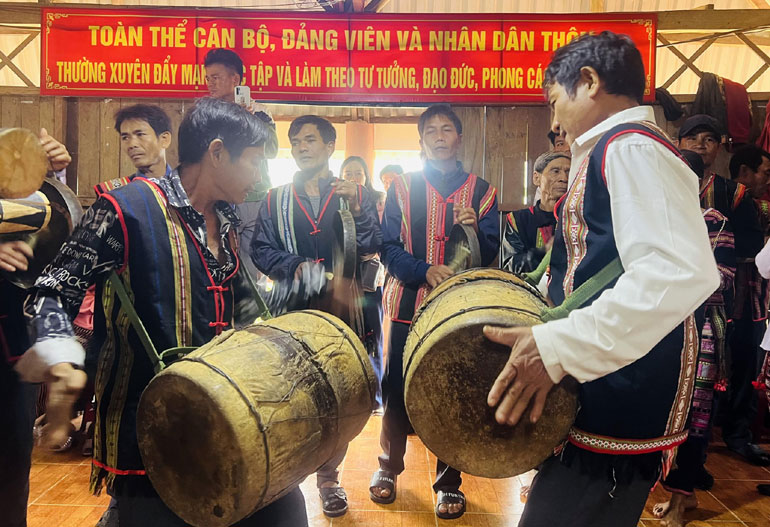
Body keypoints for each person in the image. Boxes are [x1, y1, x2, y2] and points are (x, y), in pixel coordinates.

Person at [16, 97, 305, 527]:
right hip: (150, 431)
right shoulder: (123, 208)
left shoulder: (225, 219)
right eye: (254, 162)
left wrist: (307, 300)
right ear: (218, 152)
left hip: (232, 420)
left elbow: (241, 305)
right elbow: (50, 291)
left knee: (286, 514)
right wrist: (61, 356)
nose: (259, 176)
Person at [483, 32, 719, 527]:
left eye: (554, 103)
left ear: (587, 82)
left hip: (623, 388)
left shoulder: (632, 148)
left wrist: (560, 346)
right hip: (606, 377)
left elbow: (677, 272)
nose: (553, 122)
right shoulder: (618, 149)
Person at [370, 104, 499, 521]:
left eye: (447, 130)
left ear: (458, 138)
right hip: (406, 306)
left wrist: (476, 229)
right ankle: (388, 468)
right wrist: (425, 269)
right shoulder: (401, 188)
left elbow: (494, 253)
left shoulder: (483, 192)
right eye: (432, 131)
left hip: (457, 311)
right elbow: (387, 249)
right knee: (394, 390)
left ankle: (448, 483)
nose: (440, 136)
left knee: (454, 390)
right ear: (421, 141)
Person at [251, 115, 382, 518]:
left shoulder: (353, 195)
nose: (301, 147)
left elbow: (374, 243)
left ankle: (329, 481)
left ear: (329, 147)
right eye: (295, 141)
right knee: (289, 396)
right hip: (292, 309)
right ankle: (286, 482)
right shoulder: (274, 198)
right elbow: (261, 251)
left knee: (338, 398)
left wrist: (359, 207)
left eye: (310, 140)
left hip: (342, 314)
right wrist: (305, 270)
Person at [653, 150, 736, 527]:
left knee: (695, 415)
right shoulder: (652, 219)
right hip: (658, 326)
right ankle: (675, 492)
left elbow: (720, 281)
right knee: (662, 410)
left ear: (696, 182)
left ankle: (681, 497)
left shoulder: (716, 222)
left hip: (700, 327)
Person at [0, 130, 71, 527]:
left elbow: (49, 236)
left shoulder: (7, 154)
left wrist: (51, 176)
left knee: (11, 455)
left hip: (10, 342)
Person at [204, 48, 279, 282]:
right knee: (218, 261)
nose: (210, 84)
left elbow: (272, 151)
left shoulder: (260, 113)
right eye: (207, 79)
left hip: (254, 198)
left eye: (215, 78)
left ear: (235, 79)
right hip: (219, 198)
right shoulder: (207, 116)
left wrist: (250, 121)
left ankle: (247, 315)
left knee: (249, 269)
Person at [721, 144, 770, 467]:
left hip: (749, 297)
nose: (768, 179)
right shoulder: (730, 196)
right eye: (765, 172)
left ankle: (738, 434)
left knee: (745, 368)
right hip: (724, 295)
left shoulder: (750, 202)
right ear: (744, 172)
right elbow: (752, 248)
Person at [340, 156, 385, 408]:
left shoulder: (377, 200)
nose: (353, 178)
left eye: (358, 173)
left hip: (369, 277)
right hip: (342, 279)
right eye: (348, 173)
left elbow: (379, 238)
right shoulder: (333, 201)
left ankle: (375, 397)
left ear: (366, 176)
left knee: (372, 335)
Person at [502, 151, 569, 274]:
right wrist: (543, 252)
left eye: (568, 172)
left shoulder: (575, 218)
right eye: (555, 171)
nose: (564, 178)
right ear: (536, 178)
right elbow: (510, 266)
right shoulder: (519, 219)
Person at [94, 104, 173, 196]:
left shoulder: (187, 188)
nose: (132, 145)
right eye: (125, 138)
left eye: (140, 134)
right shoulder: (114, 193)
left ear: (165, 139)